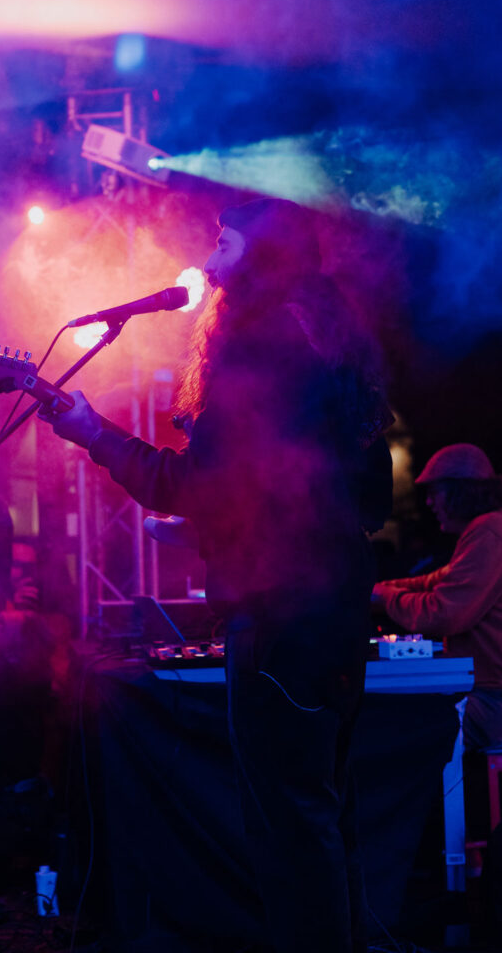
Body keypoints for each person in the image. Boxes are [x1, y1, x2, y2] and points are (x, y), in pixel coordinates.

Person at [40, 197, 393, 952]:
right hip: (333, 614)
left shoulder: (254, 344)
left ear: (261, 252)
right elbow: (370, 497)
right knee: (325, 817)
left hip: (276, 613)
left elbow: (188, 490)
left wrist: (93, 431)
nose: (210, 250)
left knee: (289, 830)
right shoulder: (332, 340)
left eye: (225, 237)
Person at [372, 443, 502, 750]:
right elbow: (434, 582)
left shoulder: (491, 533)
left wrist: (383, 596)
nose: (428, 502)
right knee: (411, 720)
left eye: (434, 492)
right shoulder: (492, 530)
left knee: (414, 729)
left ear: (460, 492)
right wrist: (376, 588)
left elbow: (442, 613)